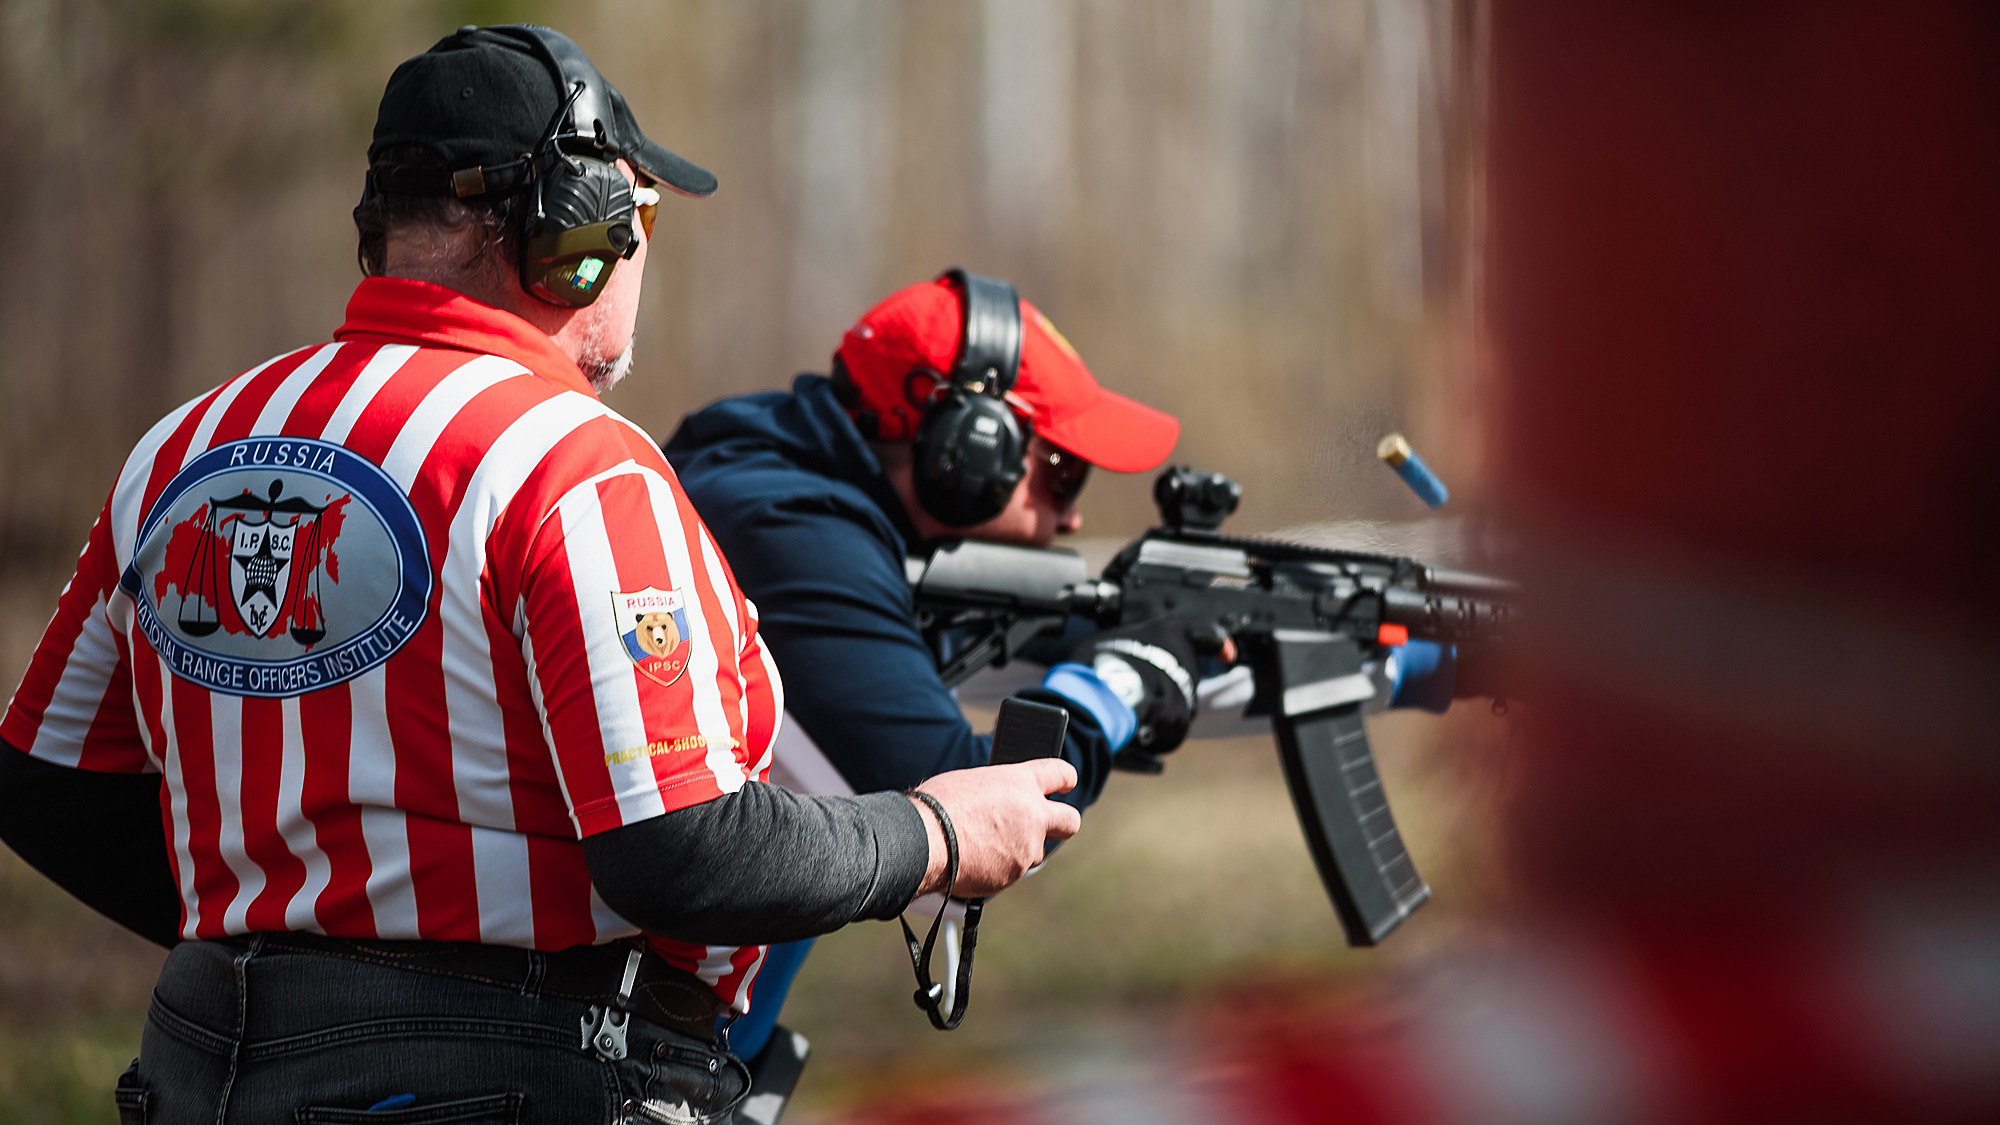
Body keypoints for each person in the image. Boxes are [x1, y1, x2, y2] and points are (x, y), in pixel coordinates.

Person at [0, 27, 1075, 1125]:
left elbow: (42, 784)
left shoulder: (181, 448)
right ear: (579, 234)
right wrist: (933, 832)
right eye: (639, 216)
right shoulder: (573, 466)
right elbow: (681, 850)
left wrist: (293, 954)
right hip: (510, 1075)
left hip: (203, 1067)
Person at [663, 271, 1462, 1069]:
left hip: (686, 1045)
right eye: (1060, 472)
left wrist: (1423, 661)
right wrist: (1122, 681)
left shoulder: (787, 481)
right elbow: (968, 816)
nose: (1073, 515)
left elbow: (1154, 655)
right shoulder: (789, 532)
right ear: (969, 448)